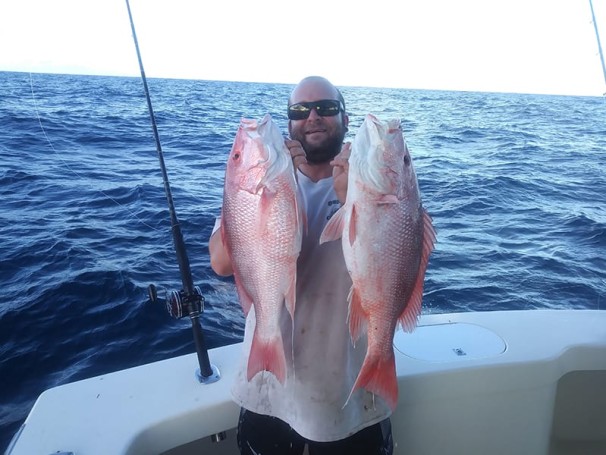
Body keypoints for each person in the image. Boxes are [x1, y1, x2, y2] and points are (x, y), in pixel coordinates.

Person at [209, 76, 393, 455]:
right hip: (269, 389)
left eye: (326, 108)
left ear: (345, 117)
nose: (313, 116)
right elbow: (221, 262)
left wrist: (351, 202)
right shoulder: (253, 187)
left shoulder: (374, 182)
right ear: (289, 122)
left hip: (349, 391)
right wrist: (278, 194)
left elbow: (396, 262)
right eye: (299, 110)